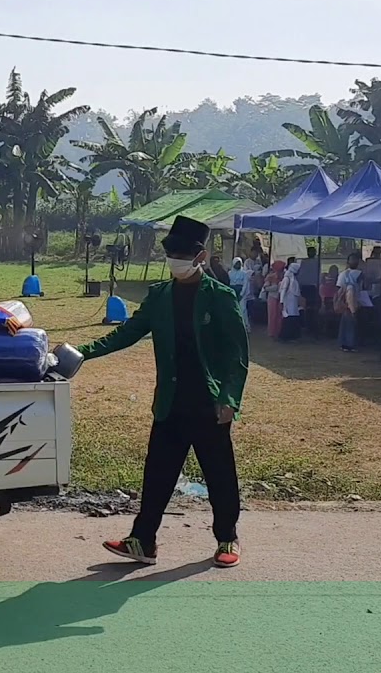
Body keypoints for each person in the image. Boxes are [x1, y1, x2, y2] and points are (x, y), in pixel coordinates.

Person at [77, 216, 248, 569]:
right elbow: (126, 333)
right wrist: (83, 352)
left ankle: (226, 537)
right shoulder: (159, 297)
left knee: (219, 473)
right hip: (171, 403)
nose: (175, 261)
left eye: (183, 255)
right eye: (171, 254)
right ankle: (143, 541)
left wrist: (230, 399)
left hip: (209, 403)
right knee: (157, 473)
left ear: (200, 257)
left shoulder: (221, 298)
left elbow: (237, 355)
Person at [337, 252, 365, 352]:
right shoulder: (359, 274)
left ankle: (344, 343)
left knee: (346, 322)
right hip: (351, 301)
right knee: (351, 322)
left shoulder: (343, 274)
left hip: (345, 301)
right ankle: (350, 344)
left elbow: (339, 288)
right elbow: (361, 288)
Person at [279, 257, 303, 341]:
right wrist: (281, 302)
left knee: (293, 317)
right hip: (288, 301)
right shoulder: (287, 278)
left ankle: (292, 335)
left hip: (293, 301)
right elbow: (283, 290)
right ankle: (286, 336)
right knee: (288, 318)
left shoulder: (293, 278)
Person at [264, 260, 285, 338]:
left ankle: (279, 332)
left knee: (280, 315)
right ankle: (272, 332)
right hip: (272, 297)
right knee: (272, 315)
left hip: (281, 298)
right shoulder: (270, 276)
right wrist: (275, 287)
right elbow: (265, 288)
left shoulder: (284, 276)